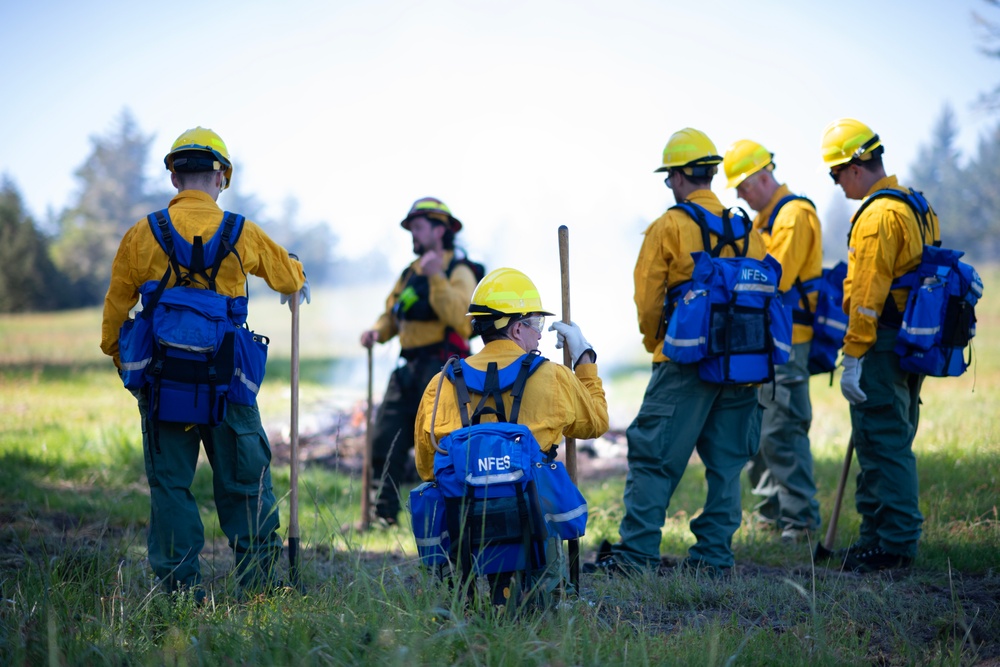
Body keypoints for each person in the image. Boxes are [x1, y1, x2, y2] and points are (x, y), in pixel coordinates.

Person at [100, 127, 309, 600]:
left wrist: (123, 364)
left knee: (171, 485)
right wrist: (295, 272)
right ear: (222, 178)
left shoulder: (141, 233)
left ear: (174, 176)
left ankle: (178, 591)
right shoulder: (242, 232)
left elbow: (115, 313)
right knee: (244, 481)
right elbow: (287, 277)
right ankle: (256, 587)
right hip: (229, 383)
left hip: (162, 382)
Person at [588, 128, 768, 578]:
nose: (670, 185)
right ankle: (714, 558)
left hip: (684, 361)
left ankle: (637, 556)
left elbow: (647, 300)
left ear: (681, 176)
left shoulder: (668, 225)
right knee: (727, 463)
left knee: (652, 456)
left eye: (669, 177)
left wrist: (657, 344)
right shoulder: (748, 229)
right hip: (742, 362)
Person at [414, 267, 609, 601]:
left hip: (464, 531)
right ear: (517, 328)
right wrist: (584, 357)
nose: (540, 336)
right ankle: (540, 593)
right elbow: (597, 422)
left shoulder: (441, 382)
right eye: (538, 326)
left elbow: (427, 466)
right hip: (531, 524)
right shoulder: (553, 376)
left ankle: (465, 596)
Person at [821, 118, 939, 572]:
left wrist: (853, 354)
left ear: (854, 166)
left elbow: (867, 296)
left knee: (884, 440)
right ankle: (874, 536)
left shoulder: (876, 216)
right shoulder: (917, 204)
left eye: (835, 173)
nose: (836, 183)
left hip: (882, 343)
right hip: (912, 340)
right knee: (881, 437)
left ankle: (895, 544)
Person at [723, 139, 823, 542]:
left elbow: (770, 278)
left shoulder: (794, 215)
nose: (741, 197)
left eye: (743, 188)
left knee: (783, 429)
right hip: (763, 339)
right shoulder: (766, 220)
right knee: (760, 430)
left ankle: (800, 522)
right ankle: (771, 517)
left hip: (788, 340)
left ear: (763, 177)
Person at [360, 197, 479, 527]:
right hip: (408, 370)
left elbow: (465, 320)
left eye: (419, 227)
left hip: (444, 371)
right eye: (411, 227)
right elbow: (393, 315)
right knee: (385, 440)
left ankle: (453, 516)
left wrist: (437, 277)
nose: (413, 233)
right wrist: (376, 332)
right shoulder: (408, 274)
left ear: (441, 229)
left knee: (442, 445)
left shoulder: (459, 270)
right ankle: (381, 516)